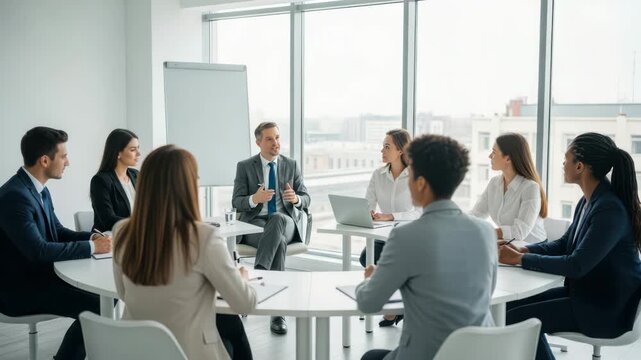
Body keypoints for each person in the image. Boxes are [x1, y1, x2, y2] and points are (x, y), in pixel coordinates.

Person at [500, 133, 641, 360]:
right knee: (506, 310)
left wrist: (520, 260)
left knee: (514, 321)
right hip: (585, 296)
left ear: (579, 166)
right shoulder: (589, 200)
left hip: (605, 309)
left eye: (566, 159)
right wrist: (525, 251)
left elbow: (577, 264)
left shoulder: (609, 209)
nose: (563, 164)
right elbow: (566, 244)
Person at [356, 134, 497, 360]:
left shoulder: (405, 236)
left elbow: (367, 302)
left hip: (427, 355)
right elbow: (485, 294)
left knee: (369, 357)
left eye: (410, 175)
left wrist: (371, 279)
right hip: (477, 354)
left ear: (420, 183)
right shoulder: (486, 232)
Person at [112, 145, 256, 360]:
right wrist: (243, 278)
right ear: (187, 186)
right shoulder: (204, 237)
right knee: (232, 327)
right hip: (187, 352)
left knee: (228, 324)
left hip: (136, 351)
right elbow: (245, 303)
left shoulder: (121, 231)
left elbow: (124, 294)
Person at [0, 126, 112, 360]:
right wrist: (93, 248)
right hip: (18, 290)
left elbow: (57, 232)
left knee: (105, 299)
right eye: (63, 156)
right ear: (44, 160)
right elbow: (38, 250)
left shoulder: (37, 189)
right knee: (98, 305)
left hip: (40, 278)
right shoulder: (15, 196)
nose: (67, 162)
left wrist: (92, 238)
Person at [232, 121, 310, 335]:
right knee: (278, 243)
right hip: (256, 224)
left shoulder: (291, 165)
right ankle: (278, 313)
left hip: (285, 222)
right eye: (269, 138)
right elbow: (237, 201)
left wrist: (296, 199)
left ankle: (259, 276)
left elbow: (306, 198)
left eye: (277, 137)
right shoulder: (245, 166)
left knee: (277, 219)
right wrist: (253, 199)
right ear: (258, 142)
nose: (275, 142)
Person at [359, 129, 421, 327]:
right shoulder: (378, 175)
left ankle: (395, 307)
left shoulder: (416, 175)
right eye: (382, 146)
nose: (382, 151)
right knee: (365, 258)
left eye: (387, 147)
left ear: (401, 150)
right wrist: (368, 213)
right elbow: (368, 203)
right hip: (384, 235)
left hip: (410, 236)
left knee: (394, 264)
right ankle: (395, 305)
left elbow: (419, 212)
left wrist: (392, 216)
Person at [471, 133, 547, 243]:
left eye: (494, 152)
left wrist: (487, 232)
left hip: (533, 248)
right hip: (509, 243)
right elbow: (477, 214)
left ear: (508, 158)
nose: (490, 156)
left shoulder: (530, 188)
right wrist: (457, 221)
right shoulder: (494, 183)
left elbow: (519, 232)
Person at [90, 129, 140, 232]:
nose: (138, 153)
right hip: (111, 239)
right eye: (133, 149)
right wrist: (140, 224)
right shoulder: (100, 181)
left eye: (138, 148)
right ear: (118, 153)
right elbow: (108, 220)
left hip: (136, 236)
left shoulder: (136, 175)